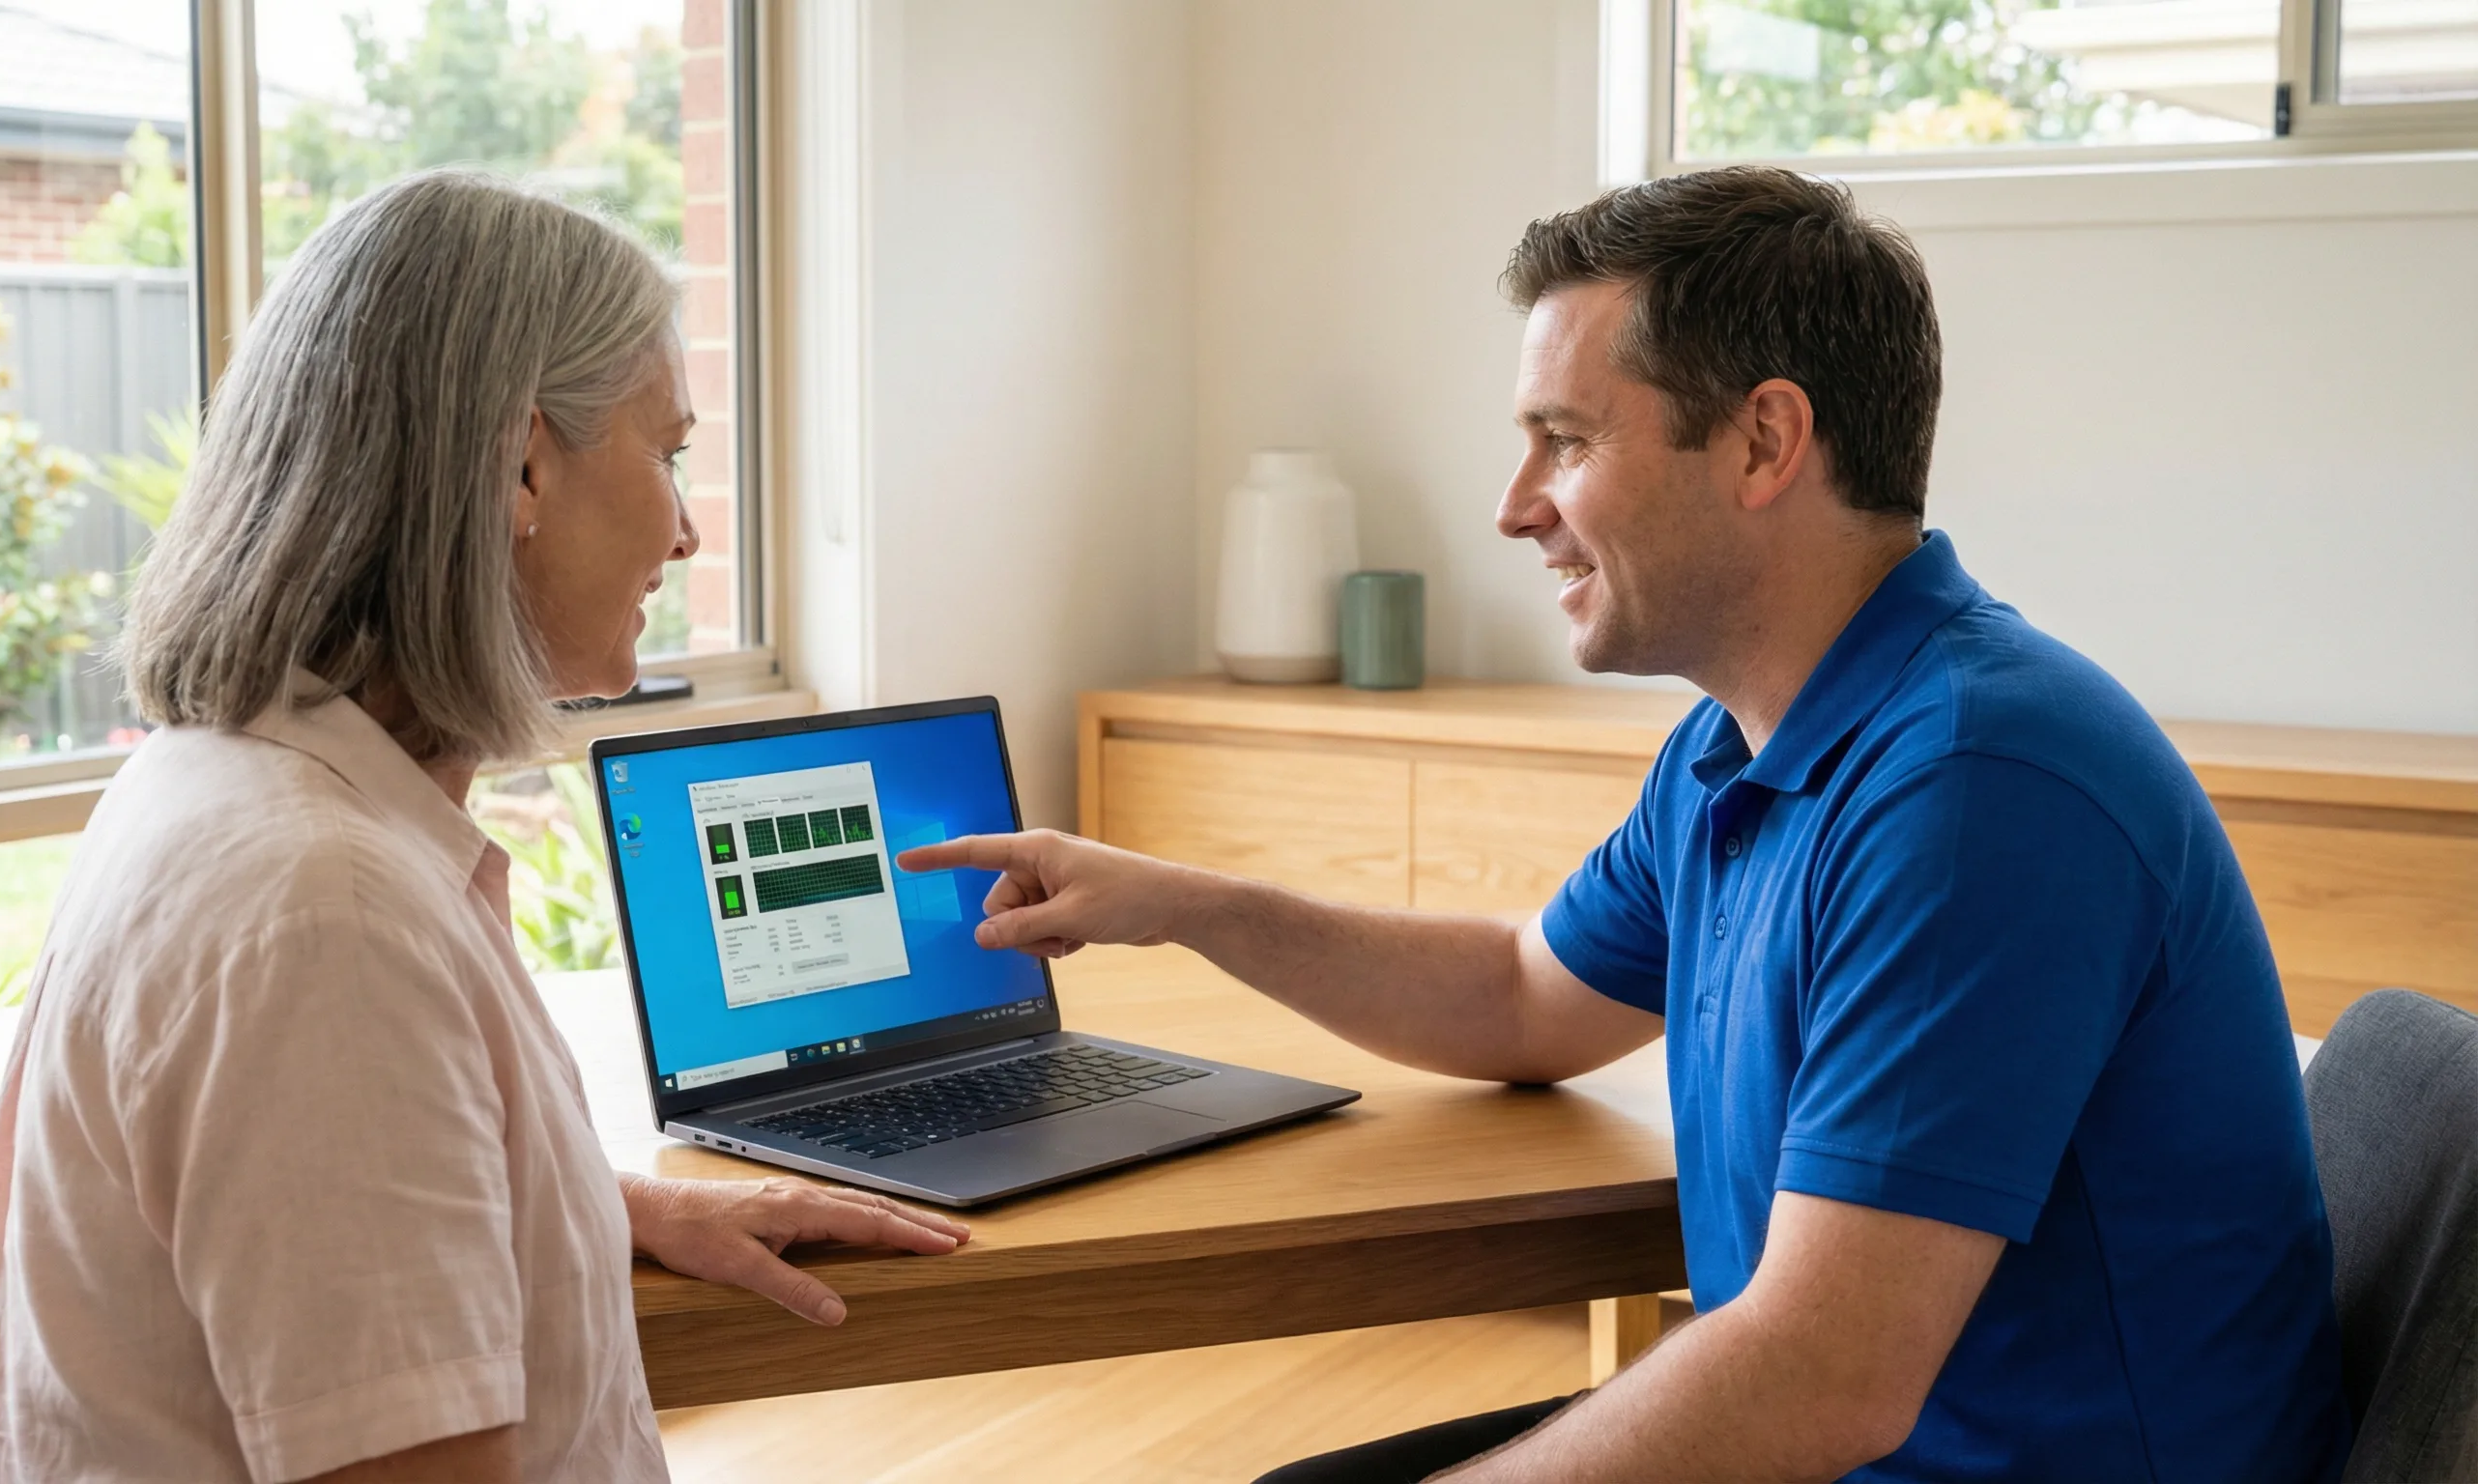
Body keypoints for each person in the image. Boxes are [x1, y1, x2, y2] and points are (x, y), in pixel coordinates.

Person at [900, 166, 2349, 1482]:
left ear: (1764, 440)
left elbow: (1821, 1378)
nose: (1512, 506)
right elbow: (1524, 994)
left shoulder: (1977, 789)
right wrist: (1186, 901)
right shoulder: (1744, 746)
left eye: (1565, 440)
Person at [0, 170, 969, 1484]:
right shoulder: (322, 919)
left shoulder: (225, 787)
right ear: (521, 466)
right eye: (666, 455)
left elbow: (291, 1202)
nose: (684, 528)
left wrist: (585, 1208)